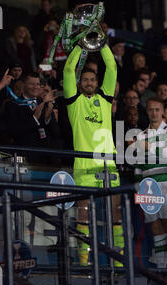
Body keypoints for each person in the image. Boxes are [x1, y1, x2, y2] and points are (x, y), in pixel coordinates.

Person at [63, 42, 124, 267]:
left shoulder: (105, 100)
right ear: (79, 84)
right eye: (85, 80)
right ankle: (84, 261)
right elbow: (68, 69)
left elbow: (112, 67)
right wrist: (81, 46)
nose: (89, 82)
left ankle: (118, 263)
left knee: (115, 215)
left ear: (98, 83)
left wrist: (101, 43)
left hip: (108, 165)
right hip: (84, 166)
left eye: (92, 79)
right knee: (84, 216)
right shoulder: (74, 102)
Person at [134, 97, 167, 269]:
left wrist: (150, 147)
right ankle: (162, 268)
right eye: (150, 110)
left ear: (163, 112)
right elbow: (138, 165)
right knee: (155, 228)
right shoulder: (141, 135)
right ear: (146, 112)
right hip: (148, 186)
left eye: (157, 110)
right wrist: (138, 187)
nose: (154, 113)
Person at [7, 73, 59, 162]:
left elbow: (56, 132)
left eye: (38, 84)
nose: (35, 87)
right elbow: (15, 132)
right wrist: (35, 117)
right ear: (24, 85)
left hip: (47, 157)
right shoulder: (13, 105)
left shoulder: (46, 103)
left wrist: (48, 115)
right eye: (32, 84)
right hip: (27, 156)